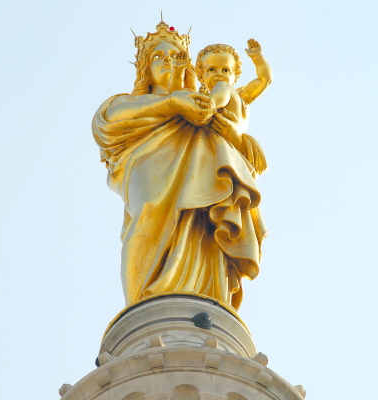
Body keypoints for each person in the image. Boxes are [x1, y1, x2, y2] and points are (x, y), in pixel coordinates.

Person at [92, 22, 268, 310]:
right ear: (145, 69)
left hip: (203, 180)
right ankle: (141, 305)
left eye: (175, 56)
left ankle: (206, 303)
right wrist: (172, 103)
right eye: (158, 56)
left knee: (204, 225)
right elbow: (106, 122)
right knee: (149, 210)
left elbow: (241, 148)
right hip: (149, 167)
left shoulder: (202, 104)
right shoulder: (127, 103)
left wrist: (233, 134)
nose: (167, 61)